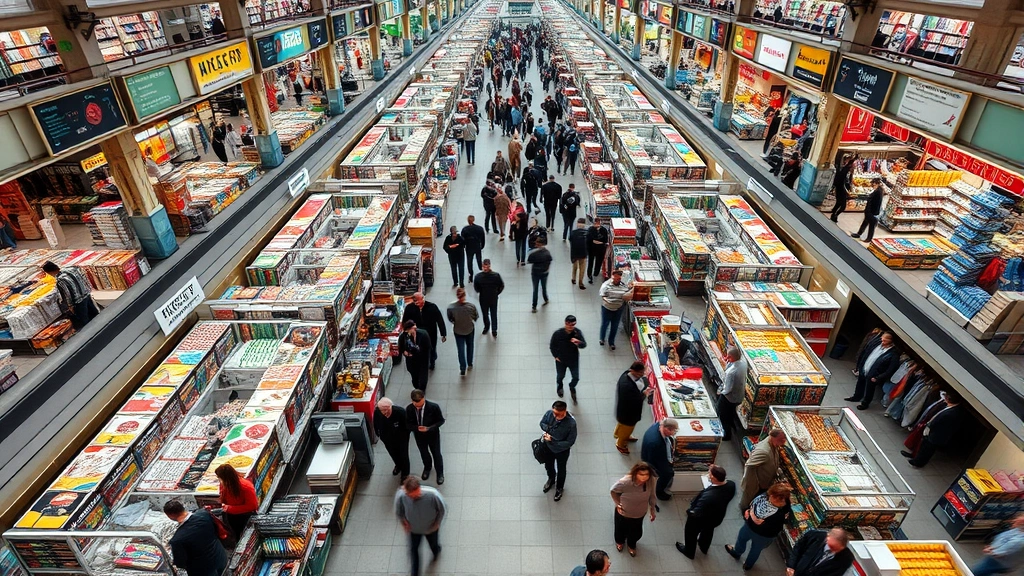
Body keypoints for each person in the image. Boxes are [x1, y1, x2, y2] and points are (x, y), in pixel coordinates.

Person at [726, 483, 792, 570]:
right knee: (747, 542)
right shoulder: (765, 495)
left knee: (751, 546)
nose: (771, 498)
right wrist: (747, 510)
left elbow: (777, 526)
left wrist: (758, 520)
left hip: (761, 534)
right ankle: (745, 561)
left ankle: (742, 558)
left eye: (777, 499)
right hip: (754, 529)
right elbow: (753, 503)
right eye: (772, 496)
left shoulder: (780, 513)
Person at [676, 464, 735, 559]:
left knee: (690, 533)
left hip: (700, 519)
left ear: (713, 477)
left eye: (709, 473)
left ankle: (689, 551)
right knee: (708, 530)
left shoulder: (709, 497)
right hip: (716, 517)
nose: (708, 475)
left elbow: (696, 512)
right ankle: (704, 546)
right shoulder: (731, 485)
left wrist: (690, 512)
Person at [395, 476, 446, 576]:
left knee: (433, 545)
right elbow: (399, 510)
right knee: (413, 550)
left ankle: (436, 551)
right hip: (413, 530)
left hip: (430, 529)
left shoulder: (432, 495)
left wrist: (437, 524)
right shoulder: (402, 495)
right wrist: (403, 522)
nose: (412, 498)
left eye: (414, 495)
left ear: (419, 488)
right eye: (410, 496)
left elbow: (442, 510)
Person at [163, 500, 227, 576]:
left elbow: (180, 563)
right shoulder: (204, 514)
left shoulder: (177, 540)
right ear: (183, 508)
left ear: (170, 515)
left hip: (203, 571)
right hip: (220, 558)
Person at [905, 390, 964, 467]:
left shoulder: (954, 413)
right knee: (922, 445)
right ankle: (914, 456)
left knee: (928, 449)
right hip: (931, 430)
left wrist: (931, 427)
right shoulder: (947, 407)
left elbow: (944, 424)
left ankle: (919, 462)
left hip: (937, 434)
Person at [610, 461, 657, 556]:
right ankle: (620, 542)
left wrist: (652, 509)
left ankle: (632, 545)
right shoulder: (625, 482)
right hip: (624, 512)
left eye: (646, 474)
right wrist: (618, 504)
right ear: (635, 473)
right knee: (620, 529)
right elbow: (613, 491)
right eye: (641, 474)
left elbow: (652, 495)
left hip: (640, 512)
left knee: (636, 531)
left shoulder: (651, 480)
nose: (644, 477)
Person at [845, 330, 900, 409]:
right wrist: (859, 366)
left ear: (891, 341)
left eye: (885, 339)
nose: (882, 340)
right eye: (882, 338)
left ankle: (865, 403)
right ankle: (856, 397)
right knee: (860, 384)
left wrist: (878, 377)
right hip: (864, 369)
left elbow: (890, 370)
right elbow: (866, 353)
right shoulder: (877, 343)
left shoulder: (893, 355)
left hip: (874, 375)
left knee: (869, 390)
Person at [539, 400, 577, 502]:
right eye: (554, 413)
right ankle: (551, 479)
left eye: (558, 414)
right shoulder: (549, 413)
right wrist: (548, 429)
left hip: (562, 451)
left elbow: (570, 442)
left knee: (561, 469)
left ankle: (559, 488)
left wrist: (553, 440)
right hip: (548, 447)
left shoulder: (571, 424)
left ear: (564, 411)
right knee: (548, 465)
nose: (555, 416)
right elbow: (542, 423)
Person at [42, 261, 98, 330]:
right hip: (86, 294)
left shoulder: (60, 280)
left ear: (49, 272)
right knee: (94, 313)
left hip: (78, 301)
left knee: (84, 320)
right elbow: (84, 278)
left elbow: (67, 294)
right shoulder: (72, 269)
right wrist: (88, 289)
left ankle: (91, 332)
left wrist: (70, 306)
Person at [739, 429, 786, 509]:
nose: (784, 442)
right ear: (774, 438)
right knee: (749, 498)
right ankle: (745, 510)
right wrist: (753, 483)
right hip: (756, 484)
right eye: (781, 440)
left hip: (763, 482)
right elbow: (749, 465)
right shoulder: (764, 451)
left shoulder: (772, 444)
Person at [406, 389, 445, 484]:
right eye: (416, 406)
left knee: (436, 453)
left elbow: (441, 421)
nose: (418, 408)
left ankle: (440, 473)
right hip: (419, 436)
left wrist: (429, 428)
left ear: (424, 398)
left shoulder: (434, 407)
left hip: (433, 435)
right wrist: (416, 428)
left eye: (420, 406)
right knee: (424, 453)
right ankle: (427, 468)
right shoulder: (409, 409)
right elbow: (407, 424)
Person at [613, 361, 651, 454]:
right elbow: (635, 400)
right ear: (632, 370)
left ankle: (617, 434)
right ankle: (620, 443)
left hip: (622, 411)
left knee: (621, 424)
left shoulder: (626, 374)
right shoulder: (628, 387)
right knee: (628, 428)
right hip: (629, 414)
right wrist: (644, 394)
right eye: (640, 373)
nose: (642, 375)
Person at [402, 293, 447, 370]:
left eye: (418, 301)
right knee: (418, 348)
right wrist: (406, 331)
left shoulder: (432, 307)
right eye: (414, 301)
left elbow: (439, 320)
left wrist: (443, 333)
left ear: (423, 299)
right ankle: (421, 362)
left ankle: (432, 361)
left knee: (432, 347)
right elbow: (405, 321)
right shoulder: (409, 308)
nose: (416, 303)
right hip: (416, 333)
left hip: (431, 333)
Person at [787, 528, 855, 576]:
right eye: (832, 546)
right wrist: (791, 566)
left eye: (838, 548)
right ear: (827, 537)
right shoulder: (815, 536)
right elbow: (798, 548)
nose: (834, 550)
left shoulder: (846, 559)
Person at [549, 315, 587, 401]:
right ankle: (560, 386)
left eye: (573, 324)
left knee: (576, 377)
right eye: (568, 324)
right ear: (565, 323)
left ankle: (572, 386)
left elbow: (584, 344)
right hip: (561, 360)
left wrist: (577, 342)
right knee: (560, 376)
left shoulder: (577, 333)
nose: (570, 326)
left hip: (573, 359)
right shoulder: (558, 333)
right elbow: (552, 346)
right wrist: (556, 356)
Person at [640, 418, 678, 501]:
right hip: (653, 460)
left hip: (653, 454)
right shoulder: (655, 442)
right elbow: (653, 460)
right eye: (673, 431)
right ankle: (659, 491)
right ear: (666, 428)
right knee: (667, 474)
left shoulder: (658, 425)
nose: (674, 433)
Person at [215, 464, 257, 537]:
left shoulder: (246, 487)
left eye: (220, 478)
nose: (219, 480)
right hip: (231, 515)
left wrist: (230, 508)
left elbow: (252, 506)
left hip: (245, 516)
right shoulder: (224, 484)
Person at [374, 398, 410, 479]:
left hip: (401, 439)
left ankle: (405, 474)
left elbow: (408, 426)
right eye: (382, 410)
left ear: (391, 406)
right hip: (387, 440)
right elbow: (375, 424)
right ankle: (398, 465)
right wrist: (379, 435)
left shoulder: (400, 412)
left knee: (404, 455)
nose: (385, 412)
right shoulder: (377, 412)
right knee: (393, 454)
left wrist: (404, 436)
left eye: (387, 409)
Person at [598, 269, 634, 350]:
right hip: (607, 308)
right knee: (605, 324)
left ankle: (611, 342)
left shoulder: (624, 286)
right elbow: (602, 296)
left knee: (614, 326)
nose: (616, 280)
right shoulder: (605, 285)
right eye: (615, 278)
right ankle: (602, 339)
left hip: (618, 309)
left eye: (618, 279)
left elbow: (628, 294)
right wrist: (611, 301)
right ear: (612, 277)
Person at [446, 288, 478, 376]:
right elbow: (476, 316)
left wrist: (455, 321)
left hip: (458, 330)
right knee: (470, 346)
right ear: (465, 296)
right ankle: (470, 363)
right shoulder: (471, 306)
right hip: (469, 329)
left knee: (460, 349)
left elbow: (450, 318)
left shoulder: (451, 307)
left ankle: (462, 368)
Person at [718, 347, 747, 441]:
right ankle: (732, 425)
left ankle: (726, 435)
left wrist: (720, 392)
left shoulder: (731, 372)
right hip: (739, 396)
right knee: (731, 413)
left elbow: (728, 389)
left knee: (723, 415)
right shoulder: (743, 364)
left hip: (729, 398)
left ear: (730, 357)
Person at [472, 259, 503, 337]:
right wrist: (496, 293)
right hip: (488, 298)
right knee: (485, 314)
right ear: (482, 266)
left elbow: (477, 288)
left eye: (486, 266)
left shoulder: (494, 276)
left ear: (489, 266)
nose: (485, 268)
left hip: (488, 298)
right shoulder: (494, 276)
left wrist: (496, 293)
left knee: (493, 314)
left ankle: (493, 329)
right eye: (484, 267)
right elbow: (501, 286)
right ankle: (488, 327)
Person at [398, 320, 432, 390]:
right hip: (411, 360)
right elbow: (400, 347)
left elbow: (428, 347)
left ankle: (421, 391)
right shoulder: (403, 337)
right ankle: (417, 387)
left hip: (422, 359)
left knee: (423, 377)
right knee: (414, 377)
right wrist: (404, 352)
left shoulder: (423, 334)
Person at [852, 177, 886, 242]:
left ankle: (868, 238)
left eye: (873, 184)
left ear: (876, 184)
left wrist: (873, 212)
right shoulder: (879, 190)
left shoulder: (878, 192)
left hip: (872, 211)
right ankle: (859, 233)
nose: (872, 186)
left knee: (871, 225)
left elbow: (876, 203)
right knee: (865, 222)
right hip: (870, 211)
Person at [527, 239, 553, 311]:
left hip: (535, 273)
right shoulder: (547, 253)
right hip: (544, 272)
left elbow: (529, 260)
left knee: (535, 289)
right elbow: (550, 260)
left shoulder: (533, 253)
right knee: (544, 287)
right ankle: (546, 298)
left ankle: (534, 306)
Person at [830, 154, 855, 223]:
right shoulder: (844, 170)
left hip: (840, 189)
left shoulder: (845, 169)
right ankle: (835, 215)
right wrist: (846, 191)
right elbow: (842, 183)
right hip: (841, 190)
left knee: (838, 203)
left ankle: (833, 214)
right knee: (842, 206)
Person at [461, 215, 486, 281]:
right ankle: (481, 269)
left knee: (469, 261)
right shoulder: (479, 228)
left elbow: (462, 239)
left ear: (468, 220)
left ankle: (471, 274)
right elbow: (483, 238)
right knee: (479, 259)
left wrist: (464, 246)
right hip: (477, 246)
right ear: (474, 220)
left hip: (469, 247)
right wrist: (482, 245)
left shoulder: (465, 229)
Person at [568, 218, 589, 290]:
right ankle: (580, 283)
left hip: (575, 253)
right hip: (583, 253)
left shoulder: (573, 232)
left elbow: (570, 240)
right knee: (582, 269)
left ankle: (573, 278)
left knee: (575, 267)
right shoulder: (587, 232)